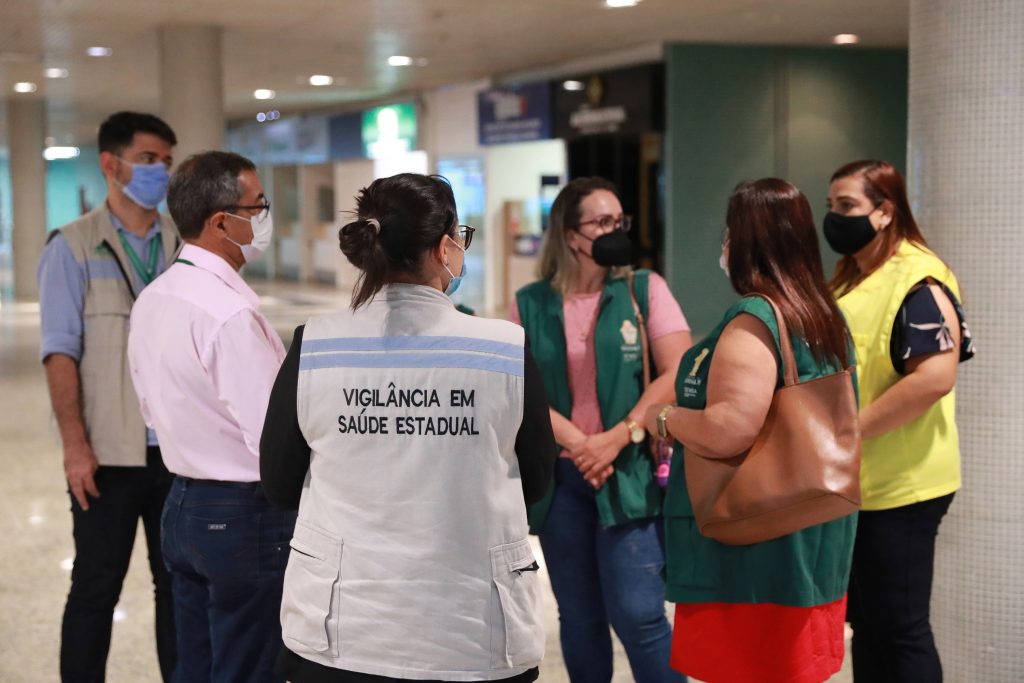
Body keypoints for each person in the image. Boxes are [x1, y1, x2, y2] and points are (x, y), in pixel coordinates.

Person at [260, 173, 557, 683]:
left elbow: (280, 483)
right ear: (445, 248)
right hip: (471, 635)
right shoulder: (504, 348)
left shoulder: (315, 346)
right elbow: (537, 482)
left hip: (343, 633)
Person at [646, 179, 858, 683]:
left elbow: (729, 430)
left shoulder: (755, 320)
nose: (724, 246)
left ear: (747, 243)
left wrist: (668, 418)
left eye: (729, 234)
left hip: (755, 548)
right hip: (813, 528)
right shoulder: (823, 313)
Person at [510, 177, 690, 683]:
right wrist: (582, 445)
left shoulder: (643, 289)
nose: (615, 231)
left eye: (620, 221)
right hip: (564, 479)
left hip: (629, 470)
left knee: (639, 614)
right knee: (580, 616)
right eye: (602, 222)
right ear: (571, 235)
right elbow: (521, 388)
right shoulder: (530, 303)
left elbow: (677, 371)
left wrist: (618, 437)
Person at [126, 151, 295, 682]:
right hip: (243, 515)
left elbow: (151, 410)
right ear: (222, 221)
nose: (266, 218)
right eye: (259, 206)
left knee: (194, 665)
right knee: (249, 667)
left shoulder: (154, 298)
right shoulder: (229, 314)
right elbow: (274, 436)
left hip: (181, 506)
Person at [37, 111, 178, 683]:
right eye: (148, 160)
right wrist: (76, 447)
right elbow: (59, 352)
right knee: (95, 588)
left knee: (178, 589)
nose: (159, 172)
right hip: (107, 457)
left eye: (167, 162)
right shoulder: (71, 247)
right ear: (110, 164)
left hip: (176, 451)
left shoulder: (182, 243)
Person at [824, 160, 974, 682]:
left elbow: (934, 376)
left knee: (902, 629)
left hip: (904, 488)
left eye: (847, 206)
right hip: (861, 484)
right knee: (869, 626)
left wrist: (849, 431)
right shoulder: (855, 276)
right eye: (832, 207)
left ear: (885, 212)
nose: (835, 218)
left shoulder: (917, 277)